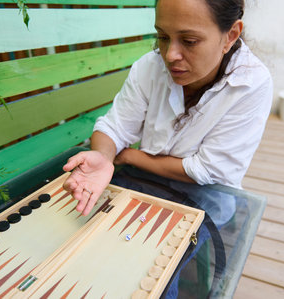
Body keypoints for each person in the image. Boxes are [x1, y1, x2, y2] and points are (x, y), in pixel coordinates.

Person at [63, 0, 271, 295]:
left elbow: (206, 170)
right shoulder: (149, 68)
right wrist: (102, 155)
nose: (170, 55)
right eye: (162, 37)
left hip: (208, 193)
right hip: (146, 181)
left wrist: (132, 155)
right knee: (87, 245)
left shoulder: (251, 83)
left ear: (231, 35)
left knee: (148, 271)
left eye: (189, 41)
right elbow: (114, 127)